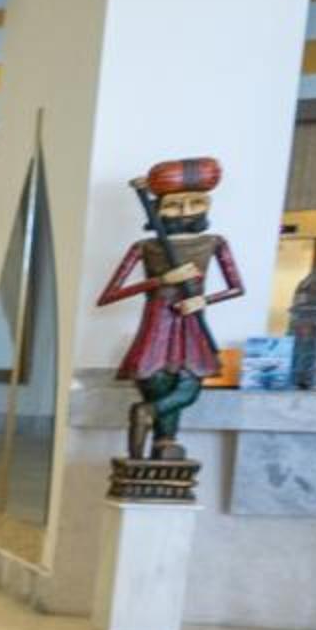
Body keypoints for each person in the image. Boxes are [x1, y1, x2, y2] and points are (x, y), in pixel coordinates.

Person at [96, 157, 245, 459]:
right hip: (157, 325)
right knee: (159, 381)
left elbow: (237, 287)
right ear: (159, 209)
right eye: (175, 206)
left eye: (195, 203)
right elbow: (109, 295)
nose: (186, 212)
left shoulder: (214, 243)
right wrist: (161, 280)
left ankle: (152, 420)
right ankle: (161, 442)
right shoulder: (145, 248)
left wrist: (203, 300)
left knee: (189, 386)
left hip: (192, 325)